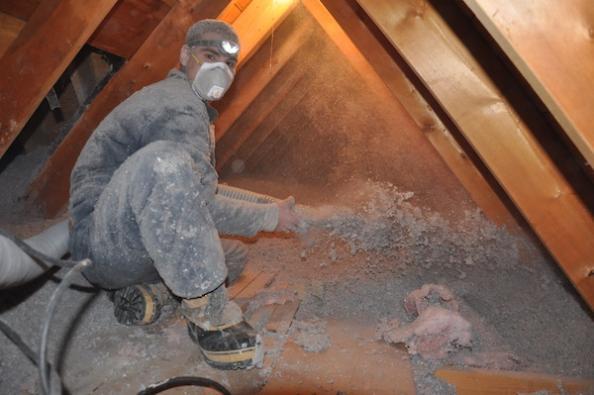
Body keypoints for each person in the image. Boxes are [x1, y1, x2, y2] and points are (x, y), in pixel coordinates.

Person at [68, 19, 303, 370]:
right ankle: (209, 315)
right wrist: (270, 218)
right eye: (210, 56)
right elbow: (194, 197)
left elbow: (205, 191)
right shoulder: (177, 103)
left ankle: (155, 296)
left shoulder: (192, 108)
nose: (219, 70)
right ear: (184, 55)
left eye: (228, 64)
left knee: (232, 256)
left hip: (131, 242)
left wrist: (270, 206)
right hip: (103, 243)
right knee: (166, 161)